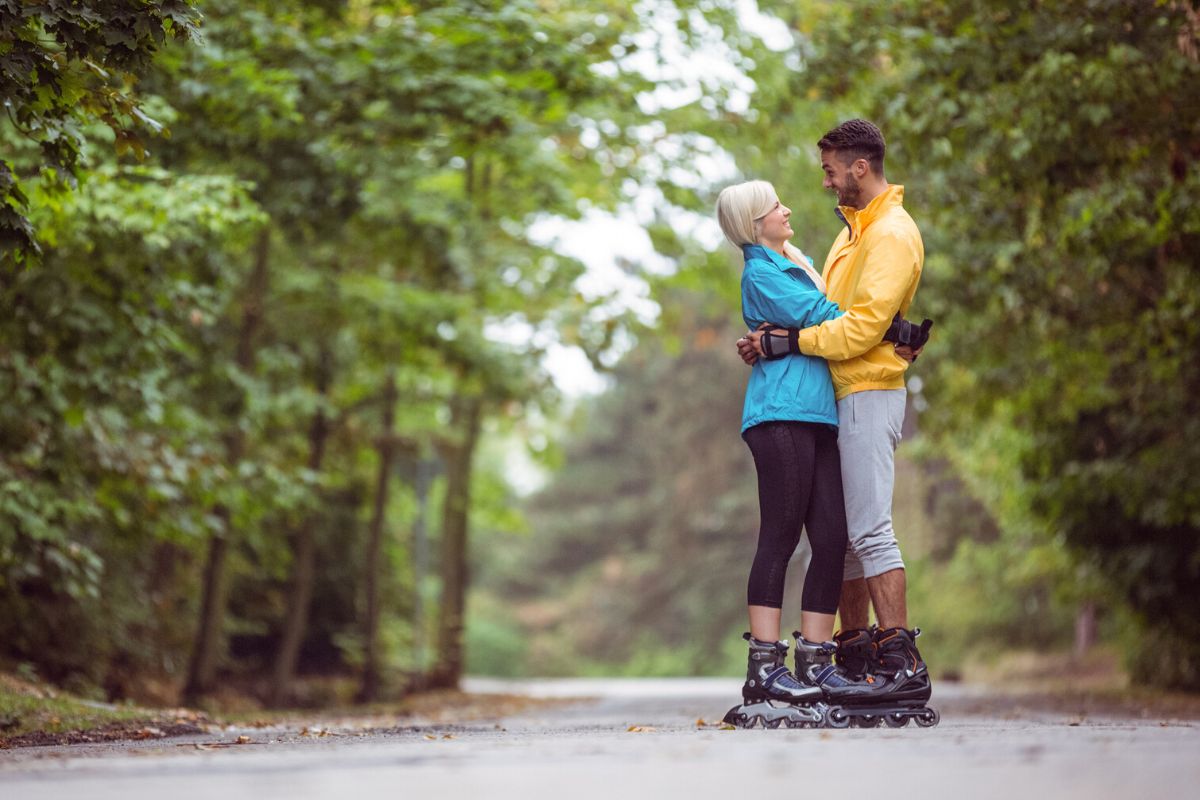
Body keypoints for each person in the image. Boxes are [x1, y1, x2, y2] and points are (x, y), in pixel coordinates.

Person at [737, 119, 933, 708]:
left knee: (871, 529)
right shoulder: (852, 235)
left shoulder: (891, 233)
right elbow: (834, 314)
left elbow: (850, 327)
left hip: (870, 389)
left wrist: (787, 342)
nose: (824, 183)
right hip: (838, 392)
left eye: (829, 171)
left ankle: (900, 661)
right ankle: (852, 656)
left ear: (859, 168)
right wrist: (784, 335)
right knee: (844, 539)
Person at [715, 180, 894, 727]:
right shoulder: (763, 272)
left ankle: (815, 662)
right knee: (781, 536)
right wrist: (892, 327)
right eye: (774, 205)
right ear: (753, 221)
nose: (785, 208)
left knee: (833, 536)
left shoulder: (791, 260)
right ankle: (765, 667)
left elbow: (826, 321)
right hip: (780, 415)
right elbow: (825, 313)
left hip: (817, 415)